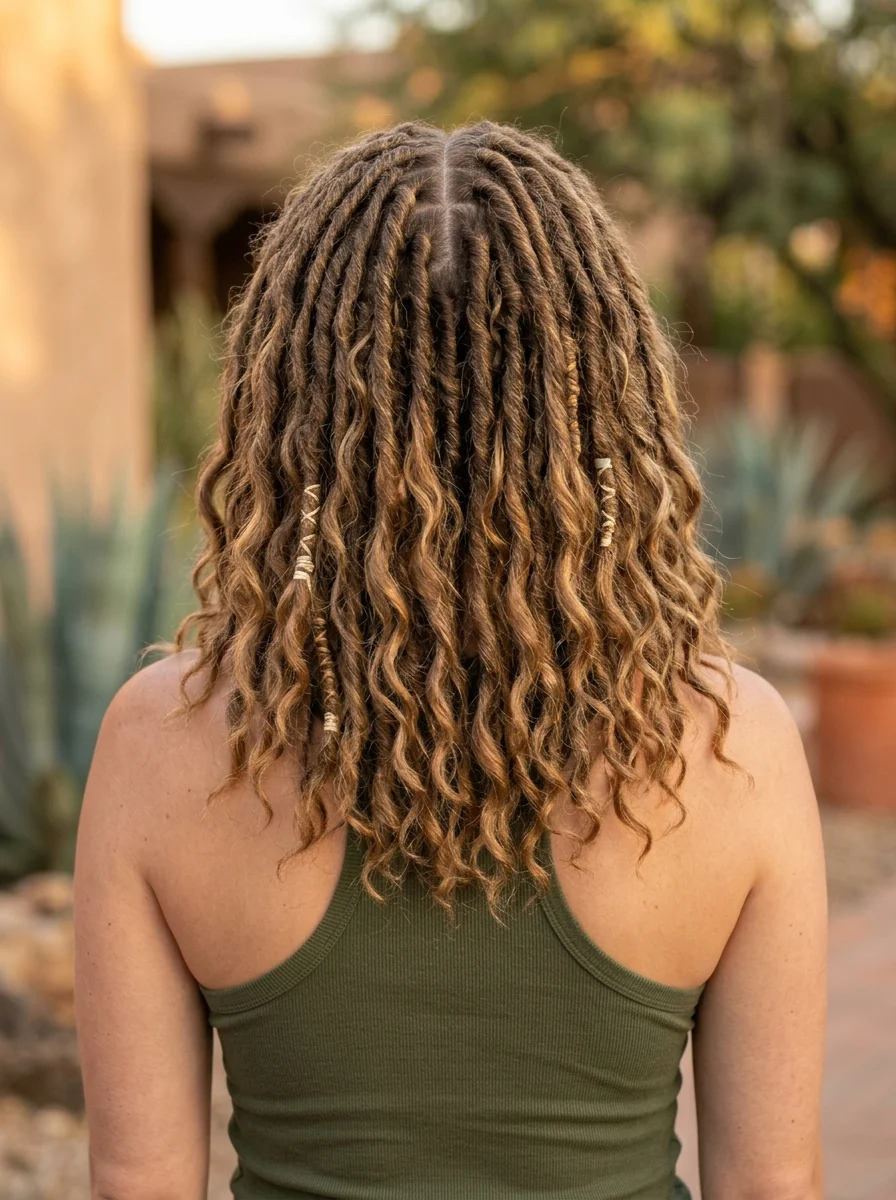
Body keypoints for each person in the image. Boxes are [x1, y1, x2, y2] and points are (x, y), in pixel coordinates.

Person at [73, 121, 827, 1200]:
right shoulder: (729, 746)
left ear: (286, 404)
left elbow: (136, 1185)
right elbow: (769, 1186)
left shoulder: (160, 746)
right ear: (603, 399)